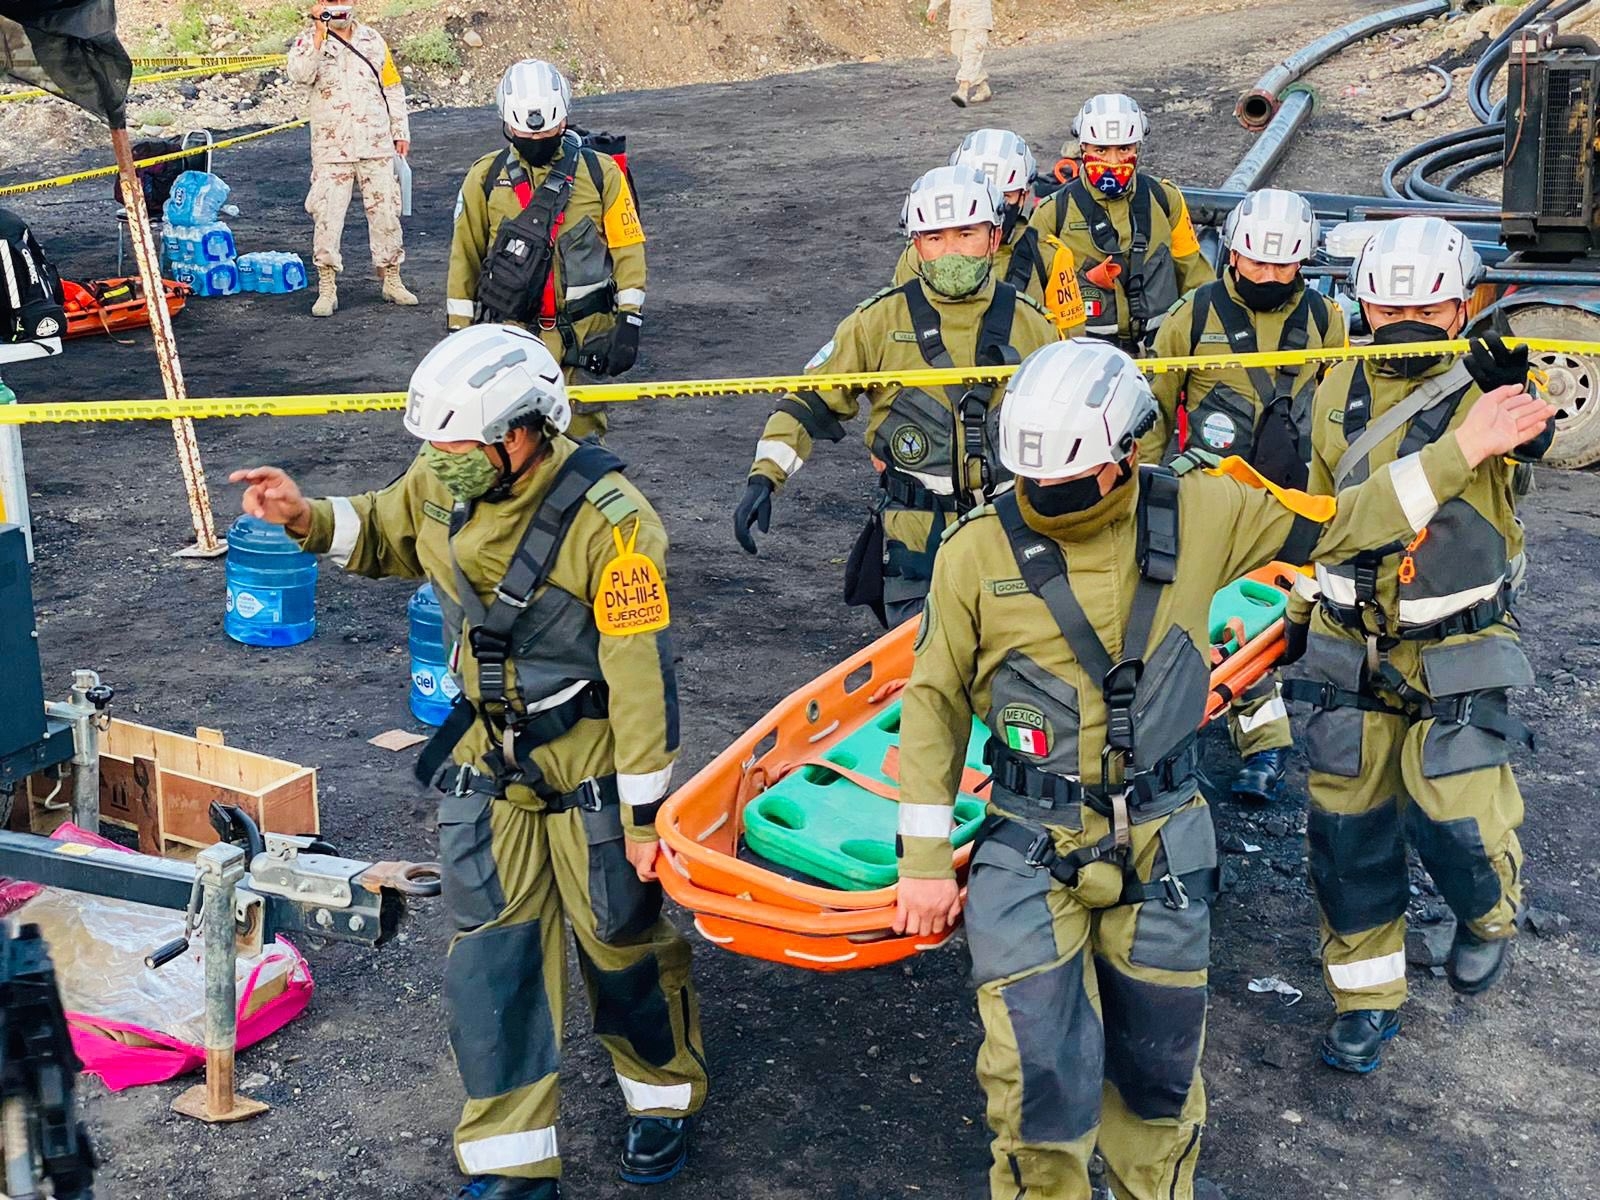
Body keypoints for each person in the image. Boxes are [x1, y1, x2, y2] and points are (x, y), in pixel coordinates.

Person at [891, 337, 1554, 1200]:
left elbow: (1345, 520)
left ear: (1127, 455)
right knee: (1035, 1085)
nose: (1042, 499)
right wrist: (922, 861)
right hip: (1030, 842)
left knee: (1159, 1079)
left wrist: (1462, 449)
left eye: (1066, 479)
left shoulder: (1207, 509)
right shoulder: (973, 552)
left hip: (1163, 837)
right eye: (1029, 483)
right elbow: (933, 701)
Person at [230, 325, 706, 1199]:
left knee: (619, 939)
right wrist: (304, 517)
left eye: (455, 444)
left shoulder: (615, 526)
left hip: (593, 759)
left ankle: (661, 1100)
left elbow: (645, 681)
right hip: (487, 760)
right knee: (496, 955)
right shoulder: (441, 483)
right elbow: (382, 526)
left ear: (522, 432)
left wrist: (644, 817)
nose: (437, 460)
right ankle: (512, 1161)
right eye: (432, 445)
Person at [1283, 216, 1555, 1075]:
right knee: (1347, 835)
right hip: (1348, 648)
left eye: (1430, 306)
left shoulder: (1490, 390)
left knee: (1458, 819)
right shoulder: (1332, 390)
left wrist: (1520, 399)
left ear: (1461, 305)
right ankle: (1367, 996)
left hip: (1458, 647)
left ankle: (1487, 911)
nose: (1407, 321)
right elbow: (1315, 515)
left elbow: (1546, 437)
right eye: (1390, 305)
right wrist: (1295, 614)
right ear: (1360, 304)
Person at [732, 165, 1059, 625]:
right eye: (935, 238)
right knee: (918, 680)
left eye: (966, 234)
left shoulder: (1034, 325)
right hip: (914, 543)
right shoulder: (876, 323)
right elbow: (808, 402)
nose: (951, 252)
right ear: (916, 246)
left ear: (994, 235)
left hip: (1013, 534)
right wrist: (763, 479)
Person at [1141, 188, 1347, 805]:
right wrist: (1148, 493)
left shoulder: (1322, 320)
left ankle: (1265, 746)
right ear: (1233, 253)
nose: (1269, 275)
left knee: (1272, 624)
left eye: (1283, 266)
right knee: (1192, 617)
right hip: (1210, 502)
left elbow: (1336, 411)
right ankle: (1177, 739)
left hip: (1287, 503)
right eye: (1257, 262)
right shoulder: (1192, 317)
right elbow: (1153, 407)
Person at [447, 59, 646, 442]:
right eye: (526, 134)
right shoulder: (485, 178)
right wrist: (460, 337)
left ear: (563, 120)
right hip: (510, 343)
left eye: (549, 131)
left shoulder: (602, 174)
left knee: (583, 452)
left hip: (584, 342)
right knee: (513, 450)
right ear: (507, 125)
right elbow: (464, 260)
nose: (537, 140)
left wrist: (630, 320)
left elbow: (628, 249)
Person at [1027, 94, 1213, 354]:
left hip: (1160, 356)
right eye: (1101, 150)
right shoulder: (1052, 214)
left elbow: (1197, 281)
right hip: (1085, 360)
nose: (1113, 162)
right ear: (1083, 149)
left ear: (1138, 148)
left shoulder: (1165, 199)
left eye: (1124, 149)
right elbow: (1033, 306)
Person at [286, 1, 415, 318]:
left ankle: (392, 280)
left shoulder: (372, 39)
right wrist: (319, 33)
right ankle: (327, 287)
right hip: (333, 148)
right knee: (327, 217)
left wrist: (400, 130)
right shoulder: (308, 42)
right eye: (330, 4)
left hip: (376, 142)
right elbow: (300, 75)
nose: (338, 9)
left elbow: (392, 87)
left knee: (386, 212)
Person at [892, 129, 1086, 331]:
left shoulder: (1049, 257)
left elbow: (1069, 339)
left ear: (1024, 196)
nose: (993, 208)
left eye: (1005, 197)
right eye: (982, 198)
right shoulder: (918, 257)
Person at [926, 0, 993, 106]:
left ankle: (963, 90)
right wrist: (933, 6)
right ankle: (982, 86)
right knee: (960, 53)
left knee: (972, 52)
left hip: (979, 15)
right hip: (958, 17)